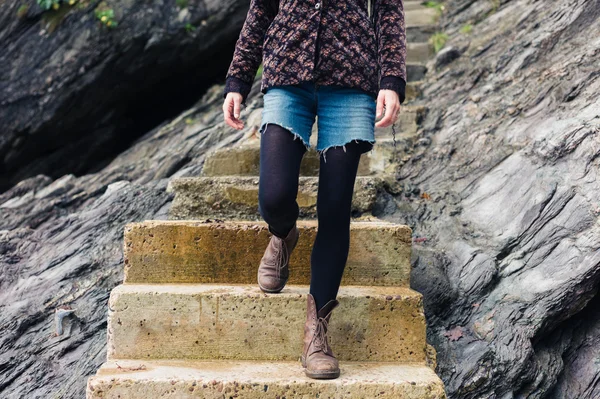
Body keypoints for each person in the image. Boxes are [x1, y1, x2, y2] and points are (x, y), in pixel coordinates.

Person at [222, 0, 407, 380]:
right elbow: (261, 11)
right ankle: (282, 234)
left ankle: (317, 332)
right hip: (287, 70)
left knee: (335, 207)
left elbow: (388, 10)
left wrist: (391, 81)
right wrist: (238, 81)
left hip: (352, 79)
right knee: (273, 195)